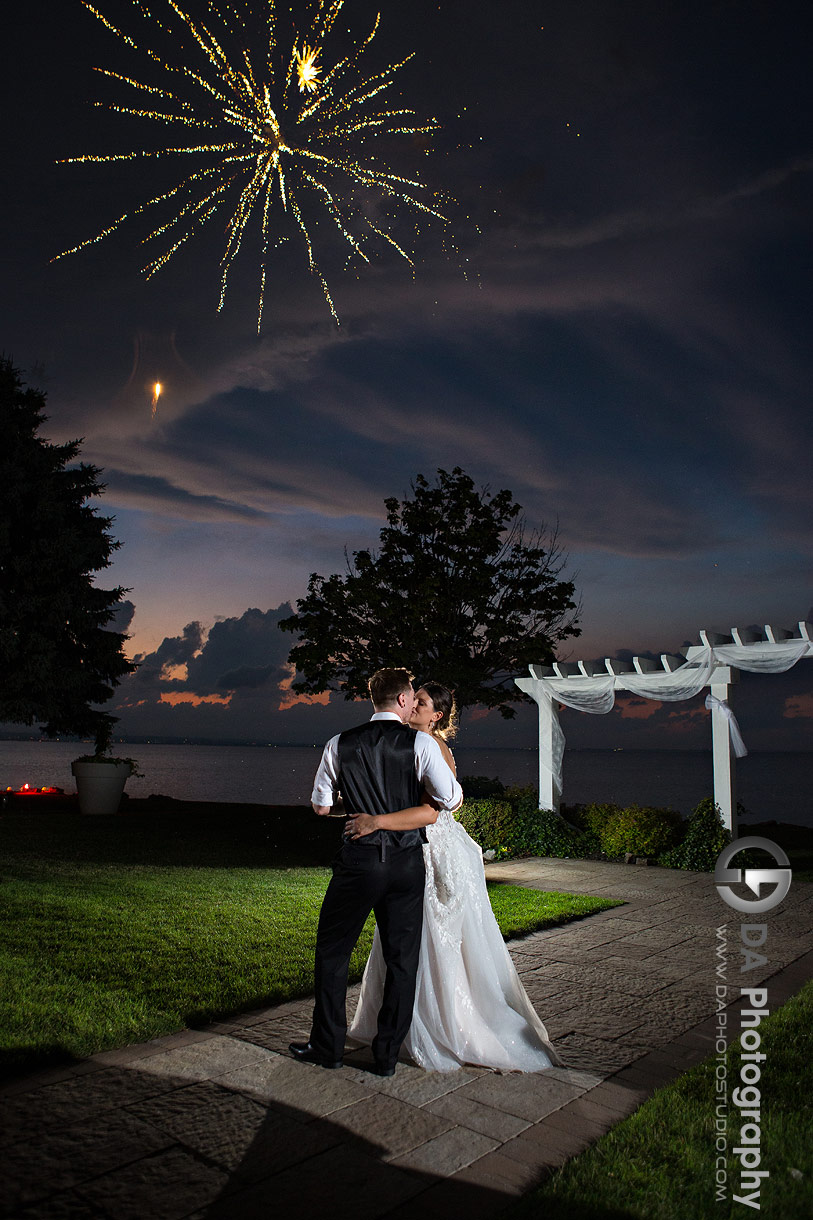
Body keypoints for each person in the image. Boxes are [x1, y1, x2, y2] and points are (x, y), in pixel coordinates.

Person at [348, 681, 562, 1072]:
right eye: (414, 700)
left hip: (434, 852)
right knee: (401, 936)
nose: (413, 706)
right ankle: (396, 1026)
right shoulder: (403, 743)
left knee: (434, 936)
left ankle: (443, 1023)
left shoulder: (434, 748)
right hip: (409, 848)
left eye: (423, 703)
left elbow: (438, 807)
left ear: (437, 715)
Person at [289, 668, 463, 1076]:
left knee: (333, 953)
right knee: (403, 961)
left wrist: (354, 800)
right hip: (405, 863)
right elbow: (451, 799)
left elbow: (320, 807)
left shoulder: (339, 743)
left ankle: (327, 1047)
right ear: (403, 700)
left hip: (359, 863)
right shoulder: (420, 743)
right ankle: (385, 1058)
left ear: (374, 700)